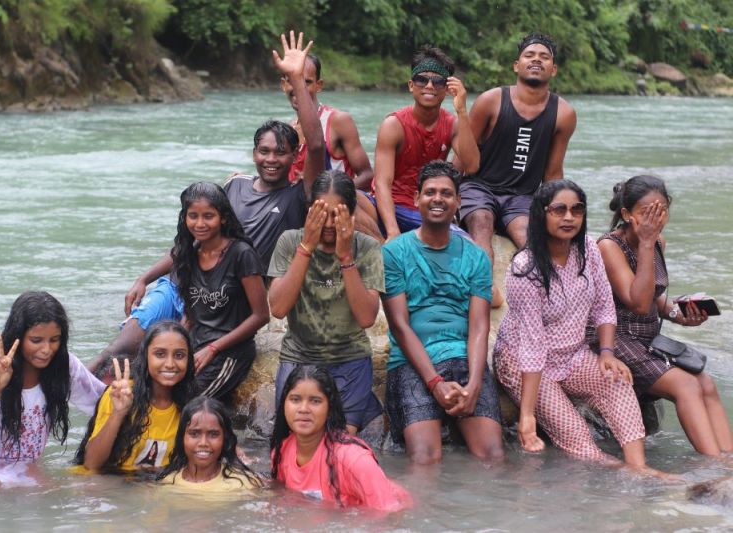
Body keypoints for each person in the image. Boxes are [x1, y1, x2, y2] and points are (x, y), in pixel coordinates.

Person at [115, 31, 326, 364]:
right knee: (120, 350)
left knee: (163, 360)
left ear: (293, 157)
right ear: (254, 153)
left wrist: (298, 79)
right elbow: (195, 241)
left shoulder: (298, 196)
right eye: (264, 151)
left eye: (280, 153)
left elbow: (316, 145)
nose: (271, 159)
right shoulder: (234, 186)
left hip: (222, 300)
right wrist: (145, 277)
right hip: (182, 284)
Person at [493, 180, 653, 470]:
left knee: (617, 381)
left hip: (573, 355)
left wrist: (607, 353)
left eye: (576, 210)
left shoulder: (588, 248)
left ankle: (638, 467)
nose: (569, 217)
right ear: (542, 214)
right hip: (523, 362)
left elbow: (604, 304)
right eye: (559, 210)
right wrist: (527, 415)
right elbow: (532, 346)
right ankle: (629, 475)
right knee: (577, 436)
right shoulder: (525, 268)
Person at [591, 175, 732, 456]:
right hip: (616, 337)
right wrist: (645, 243)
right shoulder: (609, 246)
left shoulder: (658, 242)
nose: (656, 220)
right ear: (627, 214)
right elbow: (638, 304)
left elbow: (655, 299)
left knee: (705, 382)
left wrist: (680, 313)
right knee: (686, 385)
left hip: (647, 337)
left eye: (662, 211)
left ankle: (728, 459)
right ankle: (713, 464)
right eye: (648, 213)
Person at [381, 160, 504, 464]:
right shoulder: (394, 253)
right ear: (416, 199)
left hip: (463, 361)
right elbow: (399, 326)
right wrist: (434, 383)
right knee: (424, 459)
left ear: (458, 202)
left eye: (446, 193)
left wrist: (474, 384)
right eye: (430, 192)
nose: (438, 199)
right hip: (412, 362)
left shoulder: (476, 256)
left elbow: (479, 327)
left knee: (492, 457)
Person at [459, 32, 577, 304]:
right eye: (529, 55)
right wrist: (450, 188)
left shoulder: (564, 113)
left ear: (553, 69)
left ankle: (550, 296)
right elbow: (463, 153)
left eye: (544, 57)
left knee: (528, 235)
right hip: (479, 187)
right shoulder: (490, 100)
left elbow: (553, 173)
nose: (536, 60)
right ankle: (484, 287)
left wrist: (558, 210)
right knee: (481, 222)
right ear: (516, 65)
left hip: (522, 196)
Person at [268, 170, 384, 434]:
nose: (329, 224)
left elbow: (367, 318)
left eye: (337, 214)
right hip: (299, 356)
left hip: (349, 358)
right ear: (309, 210)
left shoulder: (367, 247)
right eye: (321, 214)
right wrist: (306, 248)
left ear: (351, 214)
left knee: (338, 443)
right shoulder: (290, 241)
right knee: (295, 437)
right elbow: (278, 308)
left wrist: (345, 257)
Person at [0, 291, 105, 465]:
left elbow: (101, 402)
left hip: (20, 471)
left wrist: (121, 394)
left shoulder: (63, 365)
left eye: (54, 340)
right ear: (17, 337)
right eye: (36, 340)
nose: (47, 350)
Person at [370, 45, 480, 240]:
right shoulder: (393, 125)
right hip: (391, 205)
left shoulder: (452, 124)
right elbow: (382, 183)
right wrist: (392, 231)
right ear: (411, 85)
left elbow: (472, 166)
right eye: (422, 80)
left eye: (437, 81)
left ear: (447, 89)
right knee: (352, 200)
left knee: (463, 240)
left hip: (426, 207)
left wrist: (462, 111)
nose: (429, 86)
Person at [172, 181, 269, 399]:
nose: (200, 224)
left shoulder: (241, 254)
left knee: (188, 403)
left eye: (208, 216)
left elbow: (261, 316)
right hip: (195, 345)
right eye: (193, 216)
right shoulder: (190, 251)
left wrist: (214, 348)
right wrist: (175, 343)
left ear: (223, 218)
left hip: (229, 352)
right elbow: (191, 314)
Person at [271, 365, 412, 511]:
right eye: (295, 399)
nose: (303, 409)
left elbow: (389, 514)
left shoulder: (354, 460)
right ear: (284, 404)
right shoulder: (281, 452)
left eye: (315, 401)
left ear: (329, 408)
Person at [75, 321, 196, 472]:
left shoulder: (191, 405)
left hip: (150, 482)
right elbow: (91, 465)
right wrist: (118, 413)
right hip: (109, 481)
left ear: (188, 360)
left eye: (179, 355)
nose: (170, 364)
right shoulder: (121, 393)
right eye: (160, 354)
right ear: (146, 357)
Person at [284, 52, 374, 191]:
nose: (298, 88)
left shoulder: (338, 121)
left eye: (306, 82)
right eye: (292, 81)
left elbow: (367, 176)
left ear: (319, 85)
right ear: (283, 85)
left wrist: (327, 190)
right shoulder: (287, 129)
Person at [158, 396, 262, 492]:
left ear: (224, 439)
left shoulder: (244, 485)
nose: (203, 443)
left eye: (213, 434)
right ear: (182, 438)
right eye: (194, 434)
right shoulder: (167, 483)